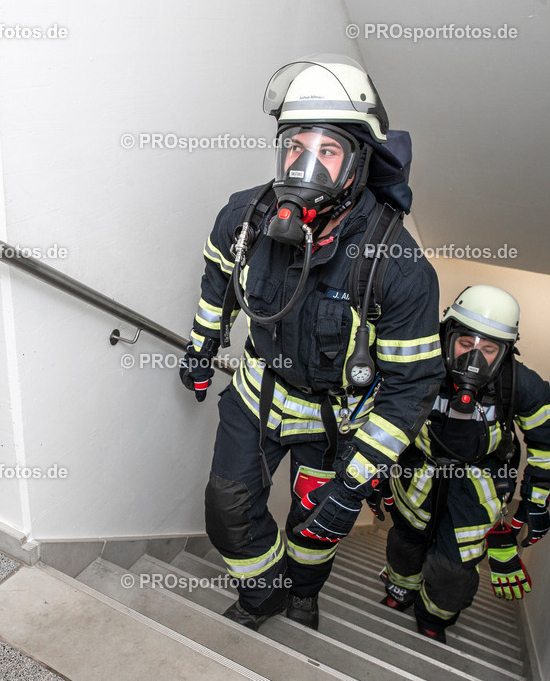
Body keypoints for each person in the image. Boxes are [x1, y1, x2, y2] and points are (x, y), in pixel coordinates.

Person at [178, 54, 444, 631]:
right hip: (256, 395)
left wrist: (356, 480)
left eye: (328, 151)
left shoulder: (398, 269)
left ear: (358, 164)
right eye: (295, 146)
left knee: (315, 527)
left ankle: (302, 594)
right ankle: (264, 595)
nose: (306, 165)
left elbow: (411, 388)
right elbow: (218, 283)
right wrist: (202, 347)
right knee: (227, 510)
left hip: (334, 422)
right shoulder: (244, 217)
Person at [379, 285, 550, 642]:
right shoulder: (419, 365)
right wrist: (372, 476)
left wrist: (535, 503)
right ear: (447, 334)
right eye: (466, 344)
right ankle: (401, 589)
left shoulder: (520, 385)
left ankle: (434, 616)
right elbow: (380, 411)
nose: (474, 359)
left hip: (476, 486)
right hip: (416, 474)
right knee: (405, 544)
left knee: (453, 570)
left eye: (488, 350)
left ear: (505, 352)